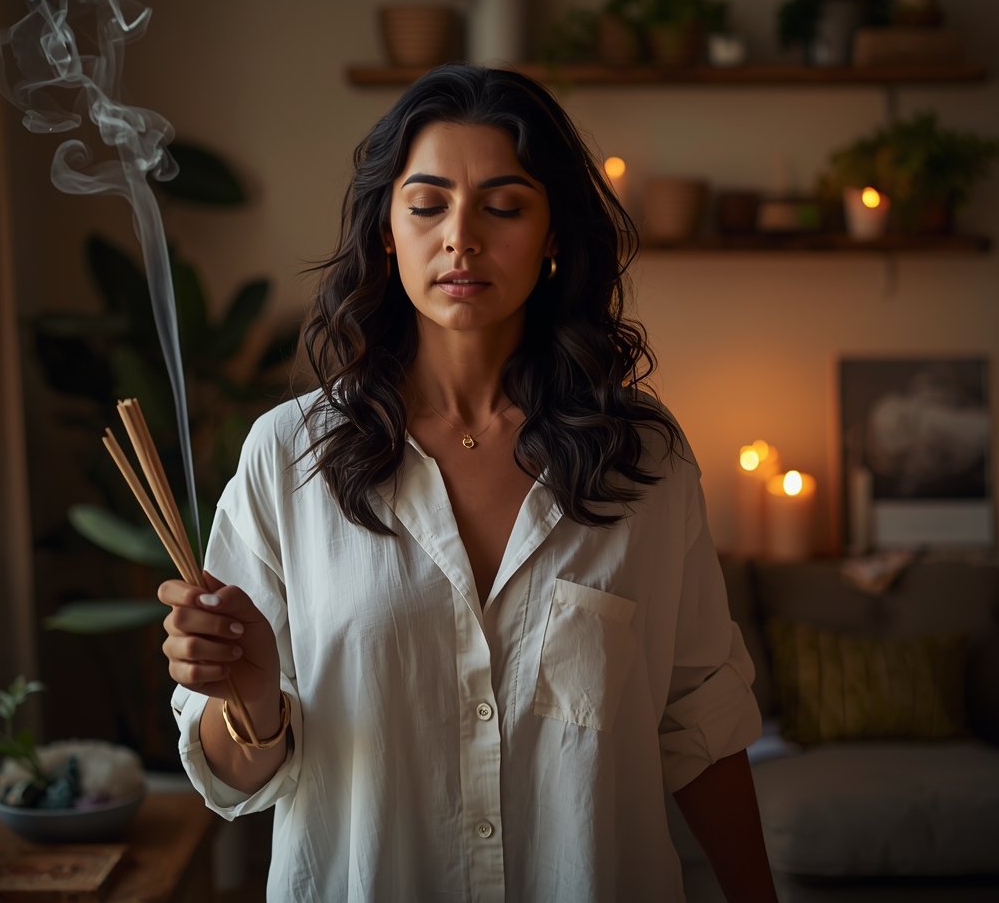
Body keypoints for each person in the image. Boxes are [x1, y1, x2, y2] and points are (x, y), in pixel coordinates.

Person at [160, 63, 777, 902]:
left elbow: (701, 722)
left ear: (554, 233)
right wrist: (252, 699)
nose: (461, 237)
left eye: (504, 205)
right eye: (427, 205)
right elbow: (235, 782)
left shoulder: (645, 460)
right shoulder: (288, 456)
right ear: (387, 227)